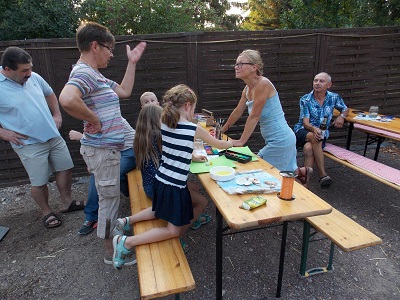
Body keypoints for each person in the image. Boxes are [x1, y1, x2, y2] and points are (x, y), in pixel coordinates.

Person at [112, 84, 233, 269]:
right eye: (193, 108)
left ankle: (127, 223)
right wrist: (236, 142)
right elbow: (219, 144)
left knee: (159, 209)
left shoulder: (164, 124)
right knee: (172, 231)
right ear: (187, 106)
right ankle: (127, 242)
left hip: (161, 181)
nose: (193, 112)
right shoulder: (192, 129)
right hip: (173, 187)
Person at [58, 21, 146, 263]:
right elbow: (66, 98)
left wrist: (132, 63)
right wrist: (92, 118)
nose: (111, 54)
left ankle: (115, 234)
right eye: (109, 48)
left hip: (109, 148)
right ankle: (112, 251)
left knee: (112, 198)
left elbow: (125, 90)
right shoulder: (84, 73)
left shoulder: (96, 75)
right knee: (108, 201)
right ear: (95, 46)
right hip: (102, 150)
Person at [0, 46, 78, 229]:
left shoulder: (34, 78)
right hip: (27, 143)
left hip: (52, 135)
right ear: (8, 69)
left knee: (65, 168)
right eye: (24, 70)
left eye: (30, 68)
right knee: (39, 181)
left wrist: (57, 115)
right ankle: (46, 212)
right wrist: (3, 132)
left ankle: (67, 202)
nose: (30, 73)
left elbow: (49, 93)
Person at [221, 49, 312, 185]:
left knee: (271, 177)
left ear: (254, 67)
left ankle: (307, 201)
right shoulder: (247, 89)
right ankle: (301, 173)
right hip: (275, 140)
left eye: (241, 63)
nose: (236, 67)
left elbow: (254, 116)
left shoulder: (263, 84)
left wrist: (241, 141)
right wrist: (221, 131)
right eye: (236, 64)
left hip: (281, 141)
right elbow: (237, 112)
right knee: (277, 175)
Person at [69, 116, 136, 239]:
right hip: (112, 152)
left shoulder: (112, 117)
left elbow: (111, 140)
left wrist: (81, 137)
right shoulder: (91, 119)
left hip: (129, 151)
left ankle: (92, 216)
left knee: (103, 175)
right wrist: (91, 163)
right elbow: (92, 147)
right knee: (100, 174)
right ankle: (92, 216)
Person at [293, 72, 348, 188]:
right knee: (315, 137)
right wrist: (314, 129)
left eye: (321, 81)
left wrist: (341, 117)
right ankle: (323, 175)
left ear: (329, 85)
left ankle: (305, 185)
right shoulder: (306, 99)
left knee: (308, 149)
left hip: (322, 133)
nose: (317, 83)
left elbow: (345, 108)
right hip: (303, 131)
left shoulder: (333, 97)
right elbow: (305, 123)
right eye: (315, 80)